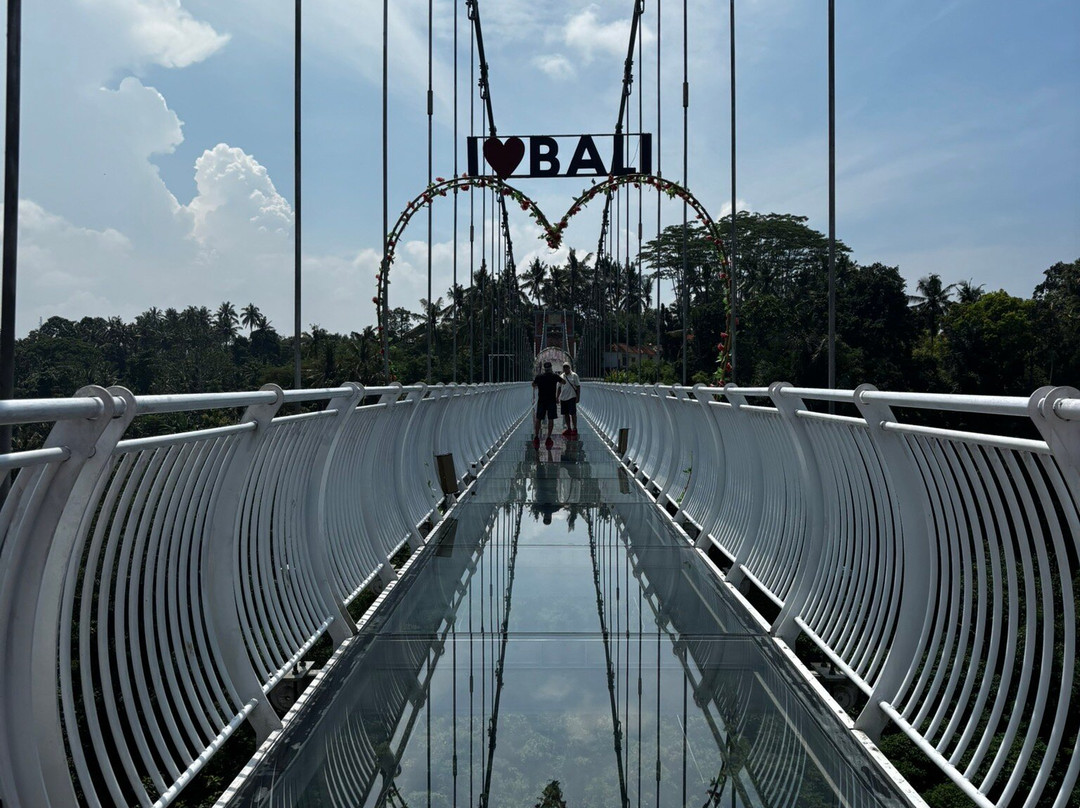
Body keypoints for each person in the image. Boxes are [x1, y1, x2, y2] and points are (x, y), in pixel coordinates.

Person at [532, 361, 560, 446]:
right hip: (551, 401)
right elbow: (563, 382)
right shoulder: (554, 376)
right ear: (551, 368)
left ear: (544, 368)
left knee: (539, 419)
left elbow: (533, 385)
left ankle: (536, 437)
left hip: (541, 401)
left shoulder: (539, 377)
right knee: (551, 419)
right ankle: (548, 437)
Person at [557, 361, 581, 437]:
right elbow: (559, 387)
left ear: (569, 367)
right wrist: (557, 397)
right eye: (564, 367)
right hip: (563, 398)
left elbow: (578, 387)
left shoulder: (574, 376)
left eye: (567, 367)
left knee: (573, 414)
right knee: (566, 414)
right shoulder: (561, 376)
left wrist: (578, 397)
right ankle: (569, 428)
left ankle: (575, 428)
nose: (565, 368)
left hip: (572, 397)